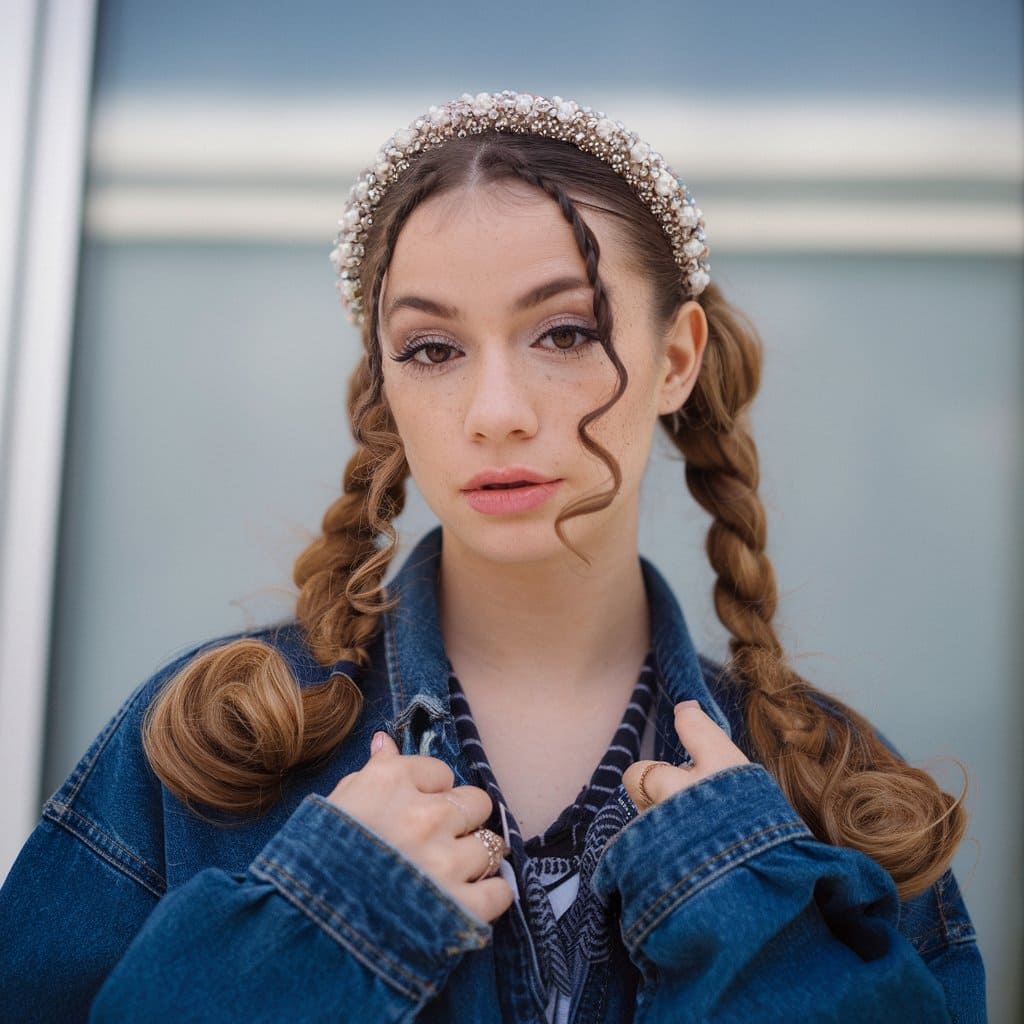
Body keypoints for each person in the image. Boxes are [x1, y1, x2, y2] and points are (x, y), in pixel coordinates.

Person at [0, 90, 985, 1023]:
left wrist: (754, 922)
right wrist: (318, 927)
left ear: (675, 359)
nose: (496, 413)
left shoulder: (834, 794)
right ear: (384, 381)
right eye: (432, 348)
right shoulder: (208, 746)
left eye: (564, 332)